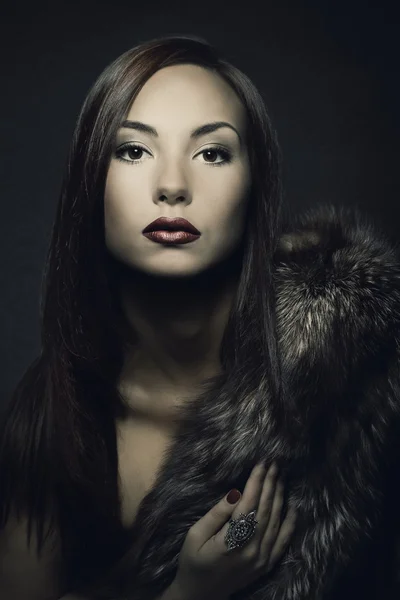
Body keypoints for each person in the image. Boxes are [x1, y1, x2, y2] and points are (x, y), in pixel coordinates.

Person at [1, 34, 400, 600]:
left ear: (253, 186)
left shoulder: (353, 361)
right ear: (91, 182)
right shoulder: (54, 408)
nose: (171, 187)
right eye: (133, 151)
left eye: (212, 153)